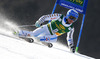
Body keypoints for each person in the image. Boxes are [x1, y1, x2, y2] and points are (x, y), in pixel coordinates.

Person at [14, 9, 79, 53]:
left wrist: (71, 46)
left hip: (52, 36)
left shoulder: (71, 28)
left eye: (74, 19)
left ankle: (40, 39)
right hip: (46, 28)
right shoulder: (59, 17)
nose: (72, 20)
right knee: (33, 34)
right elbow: (46, 17)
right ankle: (16, 32)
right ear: (67, 15)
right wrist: (39, 22)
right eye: (71, 17)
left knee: (55, 39)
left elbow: (69, 38)